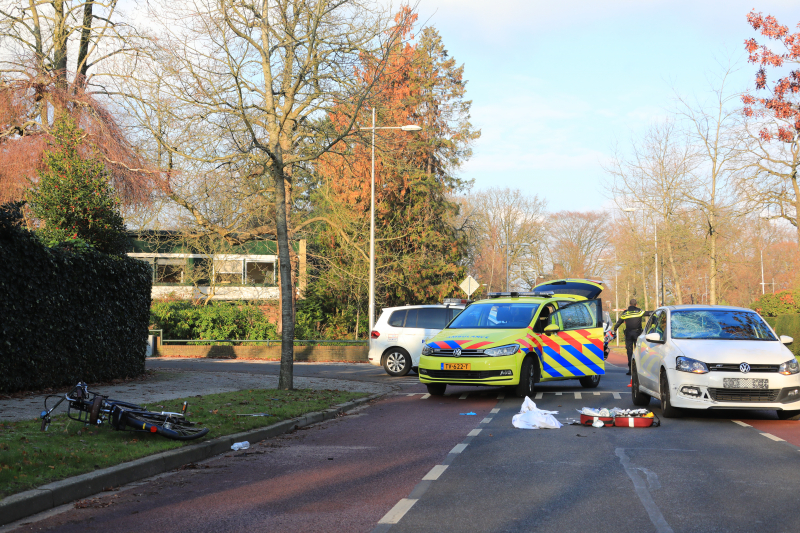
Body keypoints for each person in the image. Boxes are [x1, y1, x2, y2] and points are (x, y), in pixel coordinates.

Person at [613, 298, 646, 375]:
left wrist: (614, 329)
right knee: (638, 350)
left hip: (628, 334)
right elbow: (649, 313)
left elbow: (619, 322)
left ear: (630, 304)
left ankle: (630, 369)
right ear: (636, 304)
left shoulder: (625, 313)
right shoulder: (639, 311)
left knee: (629, 351)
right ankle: (638, 369)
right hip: (637, 333)